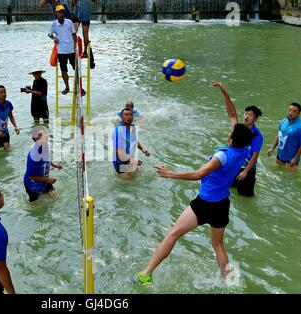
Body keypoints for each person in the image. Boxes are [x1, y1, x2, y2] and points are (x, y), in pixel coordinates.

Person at [136, 124, 253, 286]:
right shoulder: (244, 151)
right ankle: (231, 283)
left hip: (205, 203)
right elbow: (235, 121)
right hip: (222, 204)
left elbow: (198, 174)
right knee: (218, 245)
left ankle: (146, 274)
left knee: (173, 234)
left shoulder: (222, 156)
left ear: (232, 139)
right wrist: (226, 97)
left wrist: (170, 174)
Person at [211, 81, 263, 197]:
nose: (246, 116)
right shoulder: (239, 129)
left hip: (247, 169)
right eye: (245, 114)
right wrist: (225, 93)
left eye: (250, 115)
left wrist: (245, 172)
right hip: (234, 166)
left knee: (245, 196)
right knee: (231, 189)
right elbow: (232, 114)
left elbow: (255, 156)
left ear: (255, 119)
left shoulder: (257, 136)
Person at [23, 126, 63, 202]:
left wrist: (54, 164)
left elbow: (46, 158)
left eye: (44, 133)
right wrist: (48, 180)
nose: (45, 135)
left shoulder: (45, 145)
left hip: (44, 180)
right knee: (36, 208)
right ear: (36, 139)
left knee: (55, 198)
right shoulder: (33, 156)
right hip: (32, 185)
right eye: (41, 135)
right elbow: (31, 177)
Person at [267, 103, 301, 172]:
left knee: (291, 179)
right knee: (275, 172)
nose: (291, 112)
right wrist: (272, 148)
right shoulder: (283, 121)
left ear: (299, 113)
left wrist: (295, 158)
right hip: (280, 155)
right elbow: (279, 135)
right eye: (289, 110)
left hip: (292, 159)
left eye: (294, 111)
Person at [112, 108, 150, 179]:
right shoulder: (118, 132)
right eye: (126, 115)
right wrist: (133, 161)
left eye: (130, 115)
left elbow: (134, 140)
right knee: (128, 185)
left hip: (130, 159)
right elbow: (118, 152)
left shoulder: (132, 127)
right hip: (121, 163)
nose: (128, 117)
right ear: (121, 117)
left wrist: (142, 149)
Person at [48, 5, 77, 95]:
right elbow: (49, 34)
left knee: (76, 69)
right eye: (59, 12)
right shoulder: (54, 24)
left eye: (62, 12)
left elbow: (74, 34)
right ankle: (67, 87)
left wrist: (75, 46)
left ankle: (80, 87)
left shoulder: (69, 22)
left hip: (71, 50)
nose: (61, 14)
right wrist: (54, 38)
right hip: (61, 51)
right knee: (63, 70)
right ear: (56, 13)